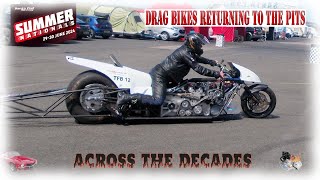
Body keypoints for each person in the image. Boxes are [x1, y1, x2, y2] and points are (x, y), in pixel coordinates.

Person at [115, 33, 224, 116]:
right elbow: (197, 67)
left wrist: (213, 62)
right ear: (193, 43)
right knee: (157, 100)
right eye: (200, 44)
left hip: (168, 76)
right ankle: (126, 97)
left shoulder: (188, 51)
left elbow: (198, 59)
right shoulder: (185, 52)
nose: (201, 46)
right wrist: (216, 74)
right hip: (160, 75)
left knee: (184, 89)